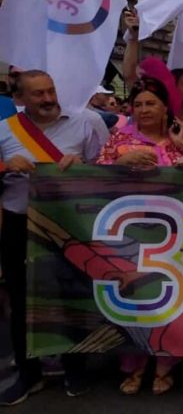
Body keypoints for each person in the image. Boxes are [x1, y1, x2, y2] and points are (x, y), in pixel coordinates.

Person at [0, 70, 109, 405]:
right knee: (22, 302)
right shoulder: (5, 132)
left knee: (70, 296)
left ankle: (75, 368)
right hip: (20, 225)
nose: (48, 99)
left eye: (50, 91)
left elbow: (104, 172)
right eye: (39, 94)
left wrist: (81, 168)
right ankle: (28, 374)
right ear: (20, 99)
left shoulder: (82, 125)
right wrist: (5, 167)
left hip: (68, 224)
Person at [96, 76, 183, 395]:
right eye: (137, 104)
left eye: (151, 103)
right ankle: (134, 364)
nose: (143, 109)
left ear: (166, 107)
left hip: (171, 236)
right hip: (127, 234)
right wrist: (119, 163)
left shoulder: (182, 139)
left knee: (168, 298)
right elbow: (93, 177)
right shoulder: (118, 138)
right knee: (133, 299)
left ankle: (164, 365)